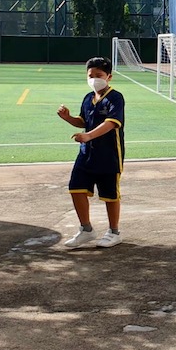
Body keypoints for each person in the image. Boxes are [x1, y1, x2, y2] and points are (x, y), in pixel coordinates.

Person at [57, 56, 126, 249]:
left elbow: (111, 123)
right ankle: (86, 229)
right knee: (76, 187)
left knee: (110, 194)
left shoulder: (115, 97)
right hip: (86, 154)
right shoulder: (88, 98)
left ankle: (114, 232)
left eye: (99, 75)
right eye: (91, 75)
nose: (94, 79)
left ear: (109, 76)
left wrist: (88, 136)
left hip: (109, 155)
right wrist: (68, 118)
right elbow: (83, 121)